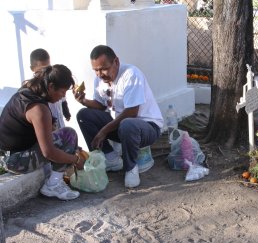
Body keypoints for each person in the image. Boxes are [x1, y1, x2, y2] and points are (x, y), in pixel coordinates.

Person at [74, 45, 163, 188]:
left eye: (103, 68)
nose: (99, 74)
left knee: (128, 123)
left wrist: (104, 131)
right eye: (95, 70)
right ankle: (111, 159)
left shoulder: (131, 74)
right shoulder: (100, 79)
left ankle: (131, 168)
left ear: (116, 61)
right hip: (122, 127)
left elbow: (132, 112)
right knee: (84, 115)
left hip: (147, 127)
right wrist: (83, 101)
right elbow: (101, 105)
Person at [0, 65, 85, 200]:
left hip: (7, 155)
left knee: (66, 135)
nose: (63, 96)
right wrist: (76, 159)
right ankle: (53, 185)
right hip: (14, 161)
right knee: (69, 134)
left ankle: (54, 181)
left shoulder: (26, 92)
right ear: (51, 86)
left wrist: (70, 148)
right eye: (63, 92)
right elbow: (49, 152)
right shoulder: (38, 109)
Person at [30, 48, 71, 130]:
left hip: (60, 124)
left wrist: (66, 112)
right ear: (32, 69)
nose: (45, 73)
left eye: (48, 68)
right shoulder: (34, 89)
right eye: (41, 70)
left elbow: (63, 99)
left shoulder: (55, 80)